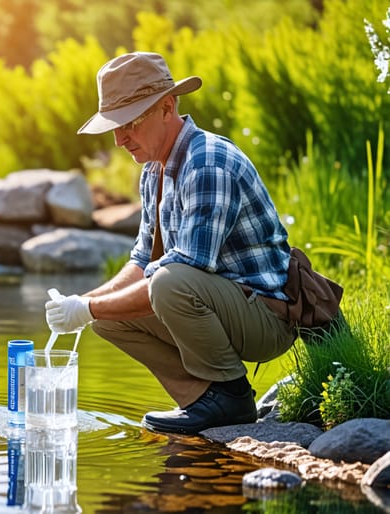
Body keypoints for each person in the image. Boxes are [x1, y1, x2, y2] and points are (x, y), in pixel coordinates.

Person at [45, 52, 297, 435]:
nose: (119, 139)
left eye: (129, 123)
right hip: (221, 305)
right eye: (115, 126)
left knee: (166, 282)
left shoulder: (207, 163)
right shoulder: (153, 171)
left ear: (167, 107)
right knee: (109, 320)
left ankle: (229, 394)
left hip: (265, 318)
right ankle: (204, 400)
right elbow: (143, 257)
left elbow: (187, 269)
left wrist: (90, 307)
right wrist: (81, 304)